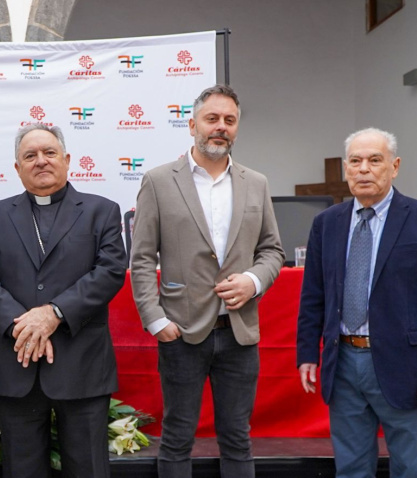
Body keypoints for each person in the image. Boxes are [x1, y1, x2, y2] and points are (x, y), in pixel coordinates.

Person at [130, 84, 284, 478]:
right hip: (181, 332)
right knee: (178, 436)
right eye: (212, 118)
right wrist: (155, 319)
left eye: (229, 121)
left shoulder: (257, 183)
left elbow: (272, 251)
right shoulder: (159, 181)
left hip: (238, 332)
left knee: (237, 437)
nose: (221, 127)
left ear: (237, 128)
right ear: (192, 123)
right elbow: (143, 257)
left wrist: (253, 280)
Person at [296, 128, 417, 478]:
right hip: (342, 363)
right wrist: (308, 353)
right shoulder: (326, 224)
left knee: (409, 469)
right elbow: (313, 294)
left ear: (395, 166)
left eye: (375, 160)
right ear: (346, 168)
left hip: (406, 366)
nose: (363, 169)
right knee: (351, 469)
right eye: (355, 161)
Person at [0, 124, 126, 478]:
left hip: (82, 363)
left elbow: (110, 271)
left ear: (67, 160)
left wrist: (54, 313)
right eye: (30, 156)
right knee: (21, 469)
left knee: (89, 469)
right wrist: (21, 325)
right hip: (15, 361)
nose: (41, 161)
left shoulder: (102, 211)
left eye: (49, 153)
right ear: (17, 167)